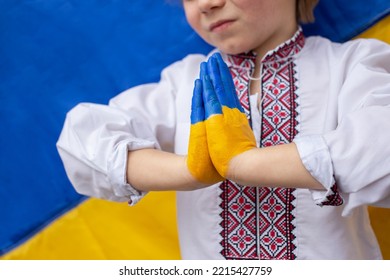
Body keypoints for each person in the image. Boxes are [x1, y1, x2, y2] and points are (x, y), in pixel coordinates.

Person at [57, 0, 390, 259]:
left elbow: (380, 144)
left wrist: (247, 164)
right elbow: (84, 140)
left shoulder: (350, 67)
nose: (205, 4)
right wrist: (191, 171)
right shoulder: (184, 82)